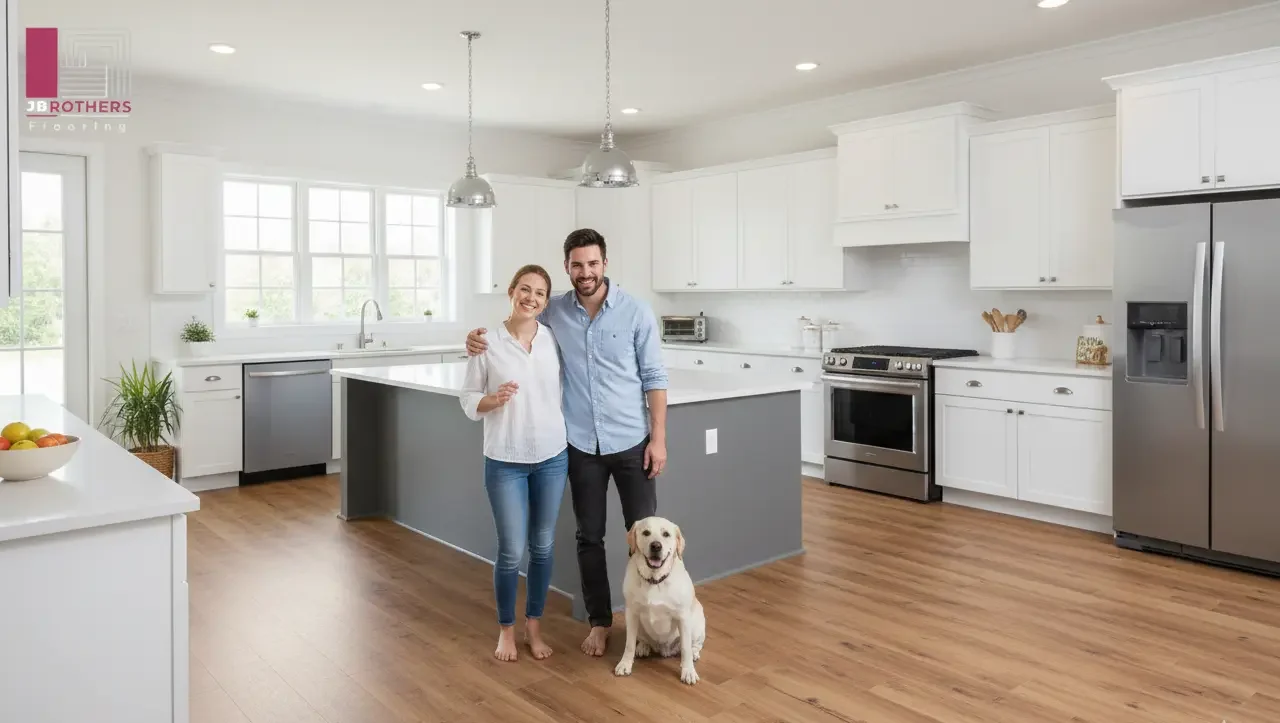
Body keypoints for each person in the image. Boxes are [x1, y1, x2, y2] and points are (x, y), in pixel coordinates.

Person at [466, 228, 668, 657]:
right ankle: (600, 622)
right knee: (588, 537)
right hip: (579, 446)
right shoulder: (554, 311)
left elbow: (655, 379)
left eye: (592, 263)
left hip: (632, 441)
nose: (585, 272)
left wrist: (659, 439)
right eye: (577, 265)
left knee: (647, 536)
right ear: (568, 269)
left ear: (605, 264)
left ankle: (653, 623)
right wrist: (473, 340)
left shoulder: (636, 312)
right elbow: (515, 321)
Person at [459, 264, 568, 663]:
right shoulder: (486, 342)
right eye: (525, 289)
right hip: (505, 459)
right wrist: (494, 400)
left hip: (553, 457)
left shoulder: (553, 339)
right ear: (511, 291)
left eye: (540, 293)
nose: (532, 298)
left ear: (545, 301)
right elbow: (469, 398)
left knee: (542, 546)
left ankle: (533, 626)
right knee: (510, 551)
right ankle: (506, 630)